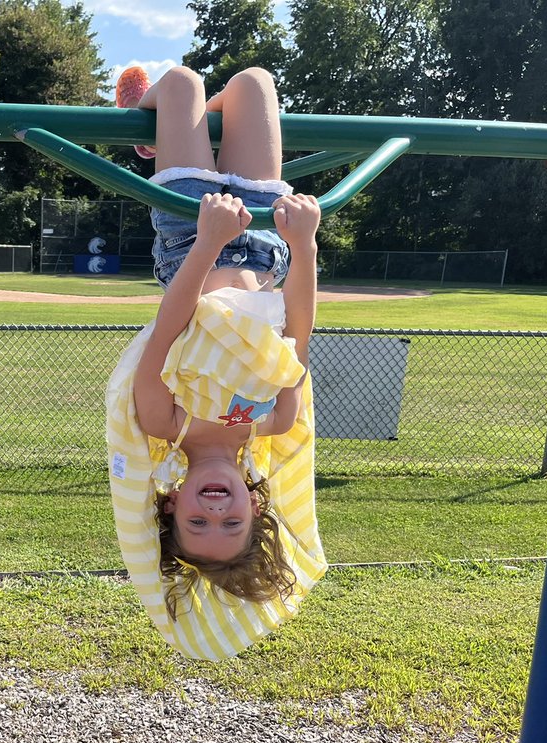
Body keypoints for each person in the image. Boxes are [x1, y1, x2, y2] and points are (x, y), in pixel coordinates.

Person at [105, 64, 328, 660]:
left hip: (189, 232)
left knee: (180, 83)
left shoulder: (163, 424)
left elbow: (169, 326)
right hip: (267, 245)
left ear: (171, 506)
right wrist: (304, 246)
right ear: (256, 505)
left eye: (197, 525)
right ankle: (197, 125)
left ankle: (153, 124)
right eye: (231, 524)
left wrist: (205, 241)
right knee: (257, 83)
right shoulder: (269, 423)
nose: (214, 512)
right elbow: (296, 334)